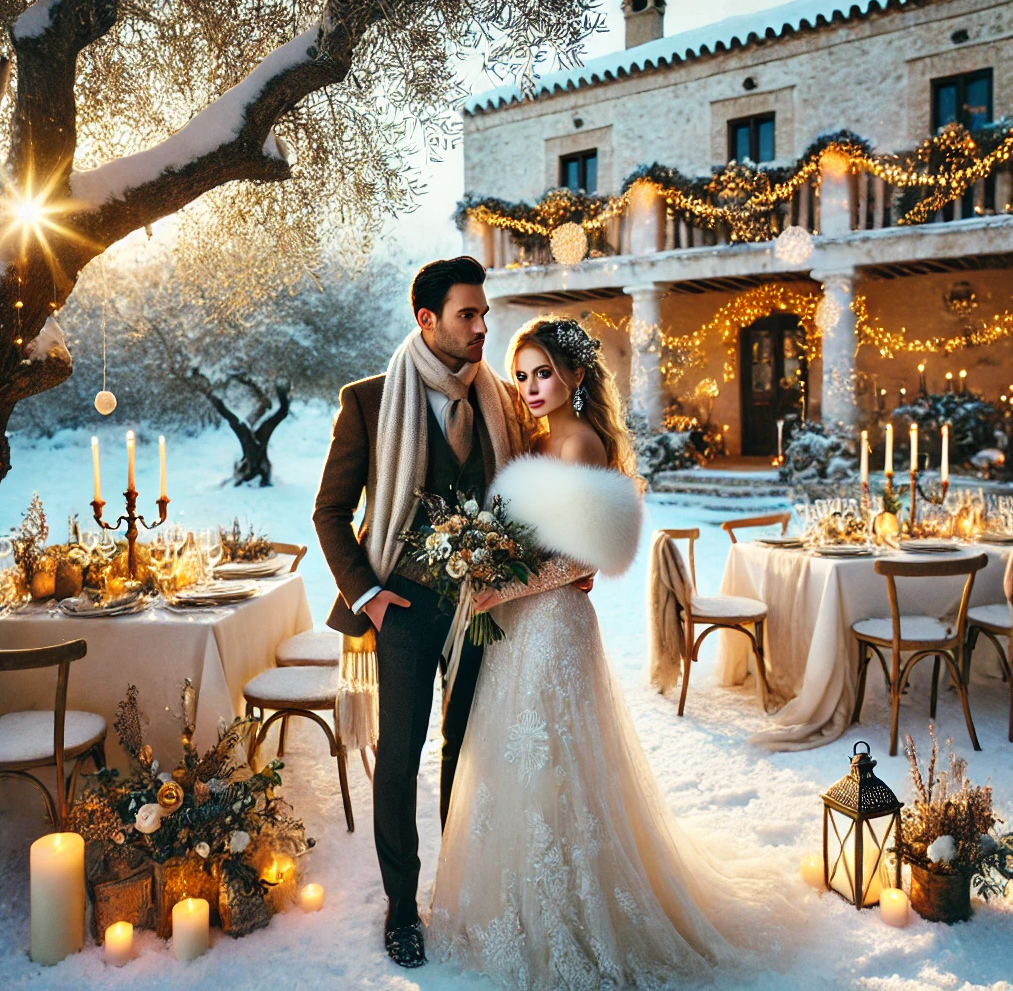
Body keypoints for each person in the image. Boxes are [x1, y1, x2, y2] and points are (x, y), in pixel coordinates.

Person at [428, 316, 774, 989]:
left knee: (555, 762)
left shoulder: (577, 443)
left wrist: (501, 588)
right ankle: (517, 901)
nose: (531, 386)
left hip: (551, 623)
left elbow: (578, 560)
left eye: (544, 373)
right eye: (522, 374)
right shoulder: (542, 436)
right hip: (526, 621)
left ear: (576, 375)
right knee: (520, 762)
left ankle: (571, 912)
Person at [312, 259, 588, 968]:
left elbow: (540, 493)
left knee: (472, 754)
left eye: (484, 313)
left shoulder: (502, 399)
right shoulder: (369, 401)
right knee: (399, 759)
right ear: (426, 319)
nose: (482, 327)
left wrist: (562, 567)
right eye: (468, 314)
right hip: (399, 608)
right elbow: (330, 512)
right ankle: (402, 909)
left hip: (485, 607)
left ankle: (465, 895)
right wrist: (366, 595)